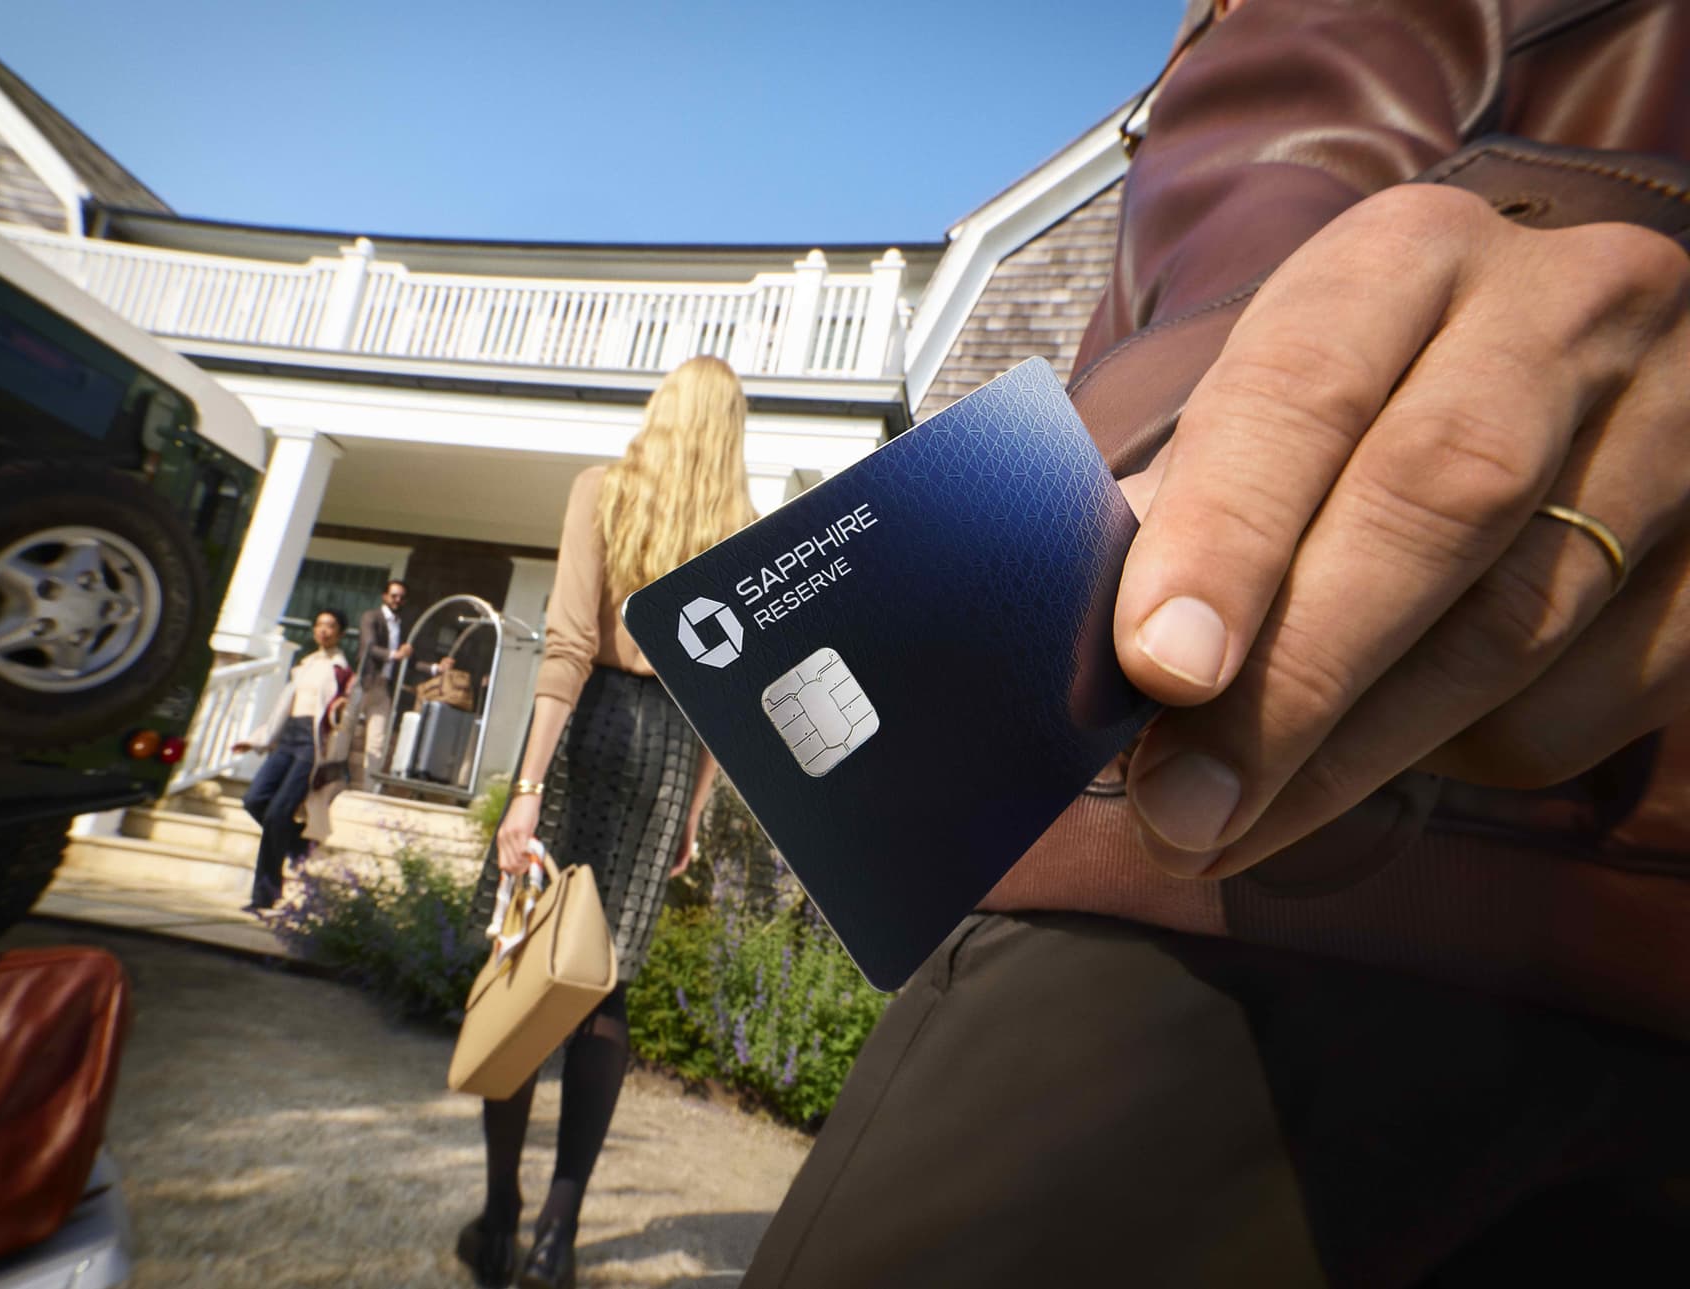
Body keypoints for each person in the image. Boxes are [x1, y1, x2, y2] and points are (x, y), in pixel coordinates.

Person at [747, 1, 1690, 1285]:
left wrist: (1240, 412)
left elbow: (1296, 103)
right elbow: (1315, 108)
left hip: (1299, 895)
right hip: (1400, 878)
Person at [452, 355, 754, 1289]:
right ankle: (558, 1234)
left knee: (522, 961)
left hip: (588, 732)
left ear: (662, 411)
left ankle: (500, 1217)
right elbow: (724, 694)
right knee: (600, 988)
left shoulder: (602, 491)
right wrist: (695, 811)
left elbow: (572, 643)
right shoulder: (741, 529)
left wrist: (528, 786)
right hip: (667, 750)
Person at [231, 608, 361, 912]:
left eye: (330, 627)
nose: (324, 631)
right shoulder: (305, 665)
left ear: (340, 633)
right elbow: (282, 708)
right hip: (288, 737)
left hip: (311, 745)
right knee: (254, 799)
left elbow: (346, 715)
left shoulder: (342, 671)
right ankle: (298, 844)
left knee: (277, 814)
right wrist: (256, 739)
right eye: (319, 625)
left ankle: (264, 895)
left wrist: (345, 703)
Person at [356, 578, 415, 791]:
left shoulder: (401, 626)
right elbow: (369, 647)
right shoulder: (372, 617)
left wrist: (436, 667)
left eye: (401, 597)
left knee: (377, 742)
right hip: (364, 684)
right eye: (393, 595)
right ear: (384, 596)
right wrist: (395, 654)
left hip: (384, 688)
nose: (397, 600)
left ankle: (368, 789)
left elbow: (410, 660)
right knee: (342, 733)